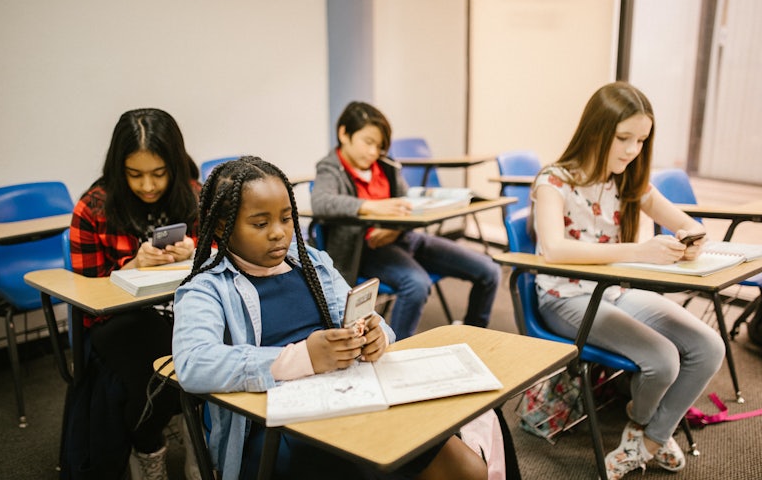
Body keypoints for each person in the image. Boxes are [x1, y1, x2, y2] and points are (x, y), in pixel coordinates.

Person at [171, 156, 491, 480]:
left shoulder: (311, 261)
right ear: (223, 227)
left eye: (285, 218)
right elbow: (193, 363)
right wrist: (303, 358)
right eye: (260, 223)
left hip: (347, 396)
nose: (279, 234)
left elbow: (364, 316)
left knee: (467, 468)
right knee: (387, 460)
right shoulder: (207, 288)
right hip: (276, 426)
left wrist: (375, 336)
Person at [530, 82, 725, 480]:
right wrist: (637, 251)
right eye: (624, 138)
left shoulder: (627, 179)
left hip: (614, 292)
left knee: (708, 346)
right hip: (564, 296)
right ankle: (647, 430)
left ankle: (646, 437)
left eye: (640, 140)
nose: (633, 149)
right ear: (596, 131)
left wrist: (691, 238)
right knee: (663, 360)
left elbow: (685, 221)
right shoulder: (553, 181)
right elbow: (554, 249)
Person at [69, 108, 201, 479]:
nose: (147, 186)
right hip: (120, 319)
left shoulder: (193, 195)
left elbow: (225, 265)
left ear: (174, 165)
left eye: (158, 174)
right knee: (158, 365)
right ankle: (149, 448)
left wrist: (196, 250)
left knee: (206, 344)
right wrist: (131, 268)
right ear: (117, 168)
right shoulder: (94, 207)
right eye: (134, 174)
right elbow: (87, 298)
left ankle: (194, 438)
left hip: (183, 308)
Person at [310, 101, 502, 340]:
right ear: (344, 134)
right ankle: (395, 348)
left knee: (489, 271)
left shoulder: (385, 166)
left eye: (379, 146)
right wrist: (373, 207)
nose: (373, 152)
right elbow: (322, 202)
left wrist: (396, 229)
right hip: (366, 250)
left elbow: (408, 204)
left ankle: (475, 333)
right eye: (367, 142)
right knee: (416, 284)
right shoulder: (330, 168)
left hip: (405, 239)